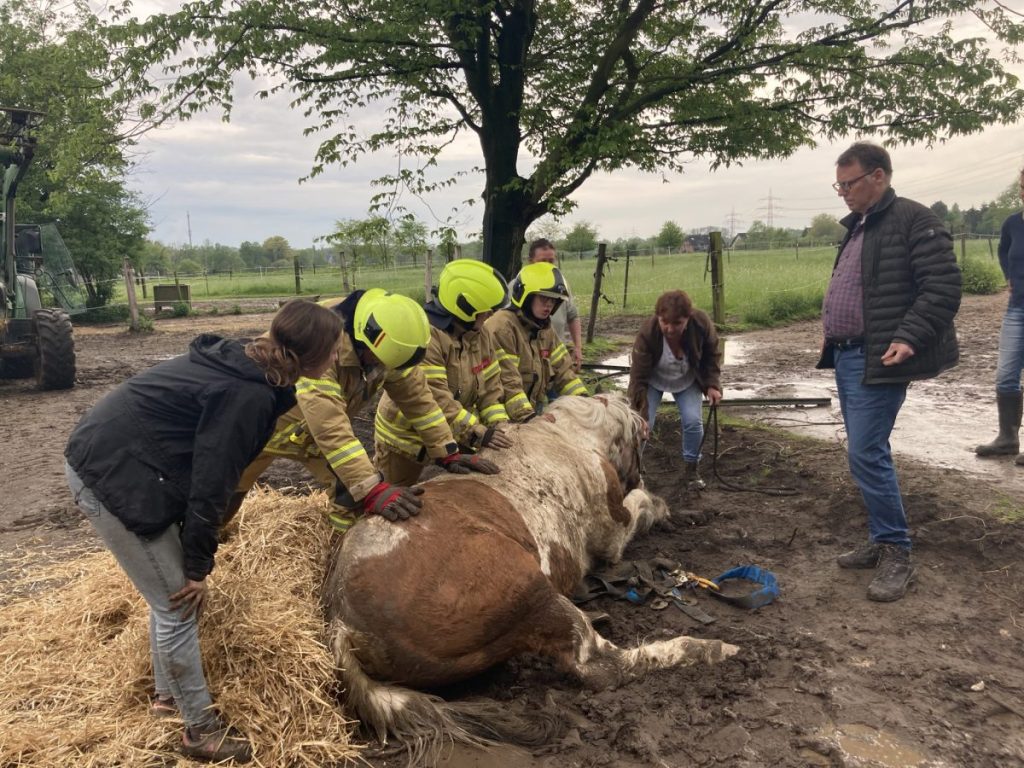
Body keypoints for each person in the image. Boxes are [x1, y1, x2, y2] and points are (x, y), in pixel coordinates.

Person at [64, 299, 344, 764]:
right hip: (110, 471)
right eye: (334, 349)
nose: (338, 358)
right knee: (179, 601)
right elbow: (213, 482)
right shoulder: (247, 395)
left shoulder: (252, 369)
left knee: (169, 595)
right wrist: (198, 565)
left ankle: (165, 698)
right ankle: (200, 734)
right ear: (311, 351)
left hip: (122, 453)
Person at [817, 141, 961, 603]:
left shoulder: (914, 220)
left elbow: (942, 285)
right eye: (837, 185)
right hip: (847, 355)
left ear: (878, 176)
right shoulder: (861, 224)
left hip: (877, 357)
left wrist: (909, 336)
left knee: (866, 451)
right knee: (863, 452)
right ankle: (882, 539)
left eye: (848, 183)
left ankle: (896, 549)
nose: (842, 193)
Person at [235, 288, 497, 536]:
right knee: (224, 497)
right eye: (380, 361)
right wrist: (371, 488)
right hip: (264, 432)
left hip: (312, 436)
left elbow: (419, 400)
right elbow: (328, 421)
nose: (384, 367)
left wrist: (446, 450)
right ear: (367, 339)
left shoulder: (391, 343)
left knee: (351, 495)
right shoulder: (321, 342)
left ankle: (336, 558)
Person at [374, 259, 513, 484]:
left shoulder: (480, 333)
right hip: (407, 444)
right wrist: (477, 432)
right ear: (466, 307)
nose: (490, 315)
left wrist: (501, 427)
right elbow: (436, 398)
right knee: (396, 502)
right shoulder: (427, 337)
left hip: (452, 433)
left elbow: (490, 388)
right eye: (486, 311)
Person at [627, 289, 722, 490]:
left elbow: (712, 354)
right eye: (664, 322)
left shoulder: (701, 323)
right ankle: (633, 472)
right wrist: (641, 413)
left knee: (693, 420)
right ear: (658, 318)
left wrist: (712, 385)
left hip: (687, 378)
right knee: (641, 424)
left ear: (688, 318)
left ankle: (691, 471)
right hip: (653, 379)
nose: (670, 328)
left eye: (677, 323)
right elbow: (638, 378)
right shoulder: (647, 333)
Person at [486, 261, 588, 420]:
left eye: (553, 300)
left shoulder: (545, 329)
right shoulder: (502, 327)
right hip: (502, 416)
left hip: (531, 408)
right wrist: (530, 418)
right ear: (525, 296)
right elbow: (508, 382)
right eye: (543, 298)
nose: (549, 305)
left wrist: (585, 402)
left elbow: (564, 371)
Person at [976, 168, 1024, 462]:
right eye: (1023, 185)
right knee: (1006, 374)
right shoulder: (1012, 224)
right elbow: (1004, 251)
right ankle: (1007, 438)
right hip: (1017, 306)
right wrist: (1009, 276)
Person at [527, 238, 584, 371]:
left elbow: (573, 316)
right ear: (530, 262)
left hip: (557, 359)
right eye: (542, 261)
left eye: (551, 261)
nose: (547, 265)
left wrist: (577, 347)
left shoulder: (562, 285)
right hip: (529, 363)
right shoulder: (518, 286)